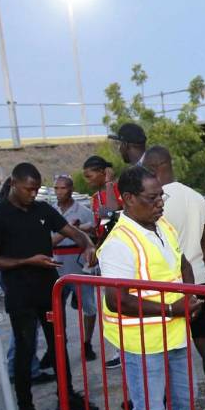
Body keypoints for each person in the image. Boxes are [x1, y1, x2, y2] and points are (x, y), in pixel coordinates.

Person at [97, 165, 205, 410]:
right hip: (143, 341)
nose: (160, 203)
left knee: (184, 402)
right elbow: (116, 299)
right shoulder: (118, 242)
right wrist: (171, 307)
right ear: (128, 199)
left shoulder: (161, 225)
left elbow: (181, 262)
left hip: (174, 331)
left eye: (161, 195)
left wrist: (190, 295)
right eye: (152, 198)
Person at [0, 163, 99, 410]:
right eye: (28, 189)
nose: (33, 194)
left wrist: (88, 243)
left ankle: (66, 397)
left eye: (36, 189)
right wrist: (27, 261)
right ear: (14, 183)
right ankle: (26, 409)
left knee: (58, 345)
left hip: (50, 290)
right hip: (20, 295)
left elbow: (72, 232)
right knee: (25, 350)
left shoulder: (43, 210)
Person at [140, 146, 205, 410]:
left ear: (154, 168)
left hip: (170, 287)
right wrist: (200, 276)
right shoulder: (196, 196)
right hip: (199, 282)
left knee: (173, 355)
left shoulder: (153, 201)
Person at [51, 175, 99, 361]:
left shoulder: (83, 211)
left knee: (89, 306)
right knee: (56, 309)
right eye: (56, 188)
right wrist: (69, 230)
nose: (58, 192)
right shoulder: (51, 212)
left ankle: (87, 343)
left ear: (70, 189)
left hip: (78, 263)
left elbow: (94, 233)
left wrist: (84, 232)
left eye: (62, 188)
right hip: (57, 263)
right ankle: (57, 345)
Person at [83, 155, 123, 369]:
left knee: (119, 300)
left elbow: (114, 213)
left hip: (118, 251)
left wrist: (108, 183)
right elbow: (102, 222)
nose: (87, 180)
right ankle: (120, 349)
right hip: (105, 251)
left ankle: (125, 350)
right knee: (111, 304)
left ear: (102, 173)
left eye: (90, 175)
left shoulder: (114, 190)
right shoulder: (94, 197)